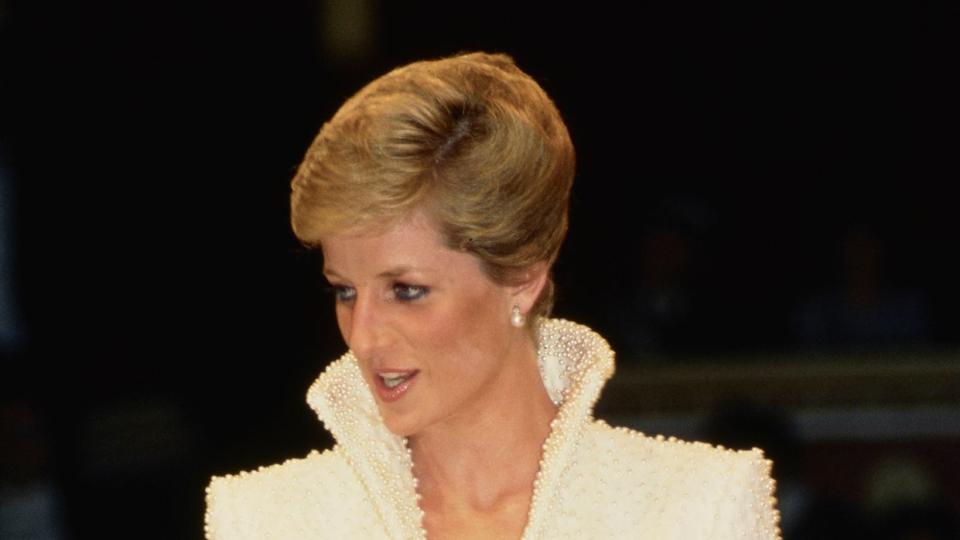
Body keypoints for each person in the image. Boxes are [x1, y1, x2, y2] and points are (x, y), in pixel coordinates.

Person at [204, 52, 781, 539]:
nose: (363, 335)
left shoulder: (699, 510)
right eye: (345, 292)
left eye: (407, 290)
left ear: (523, 277)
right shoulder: (265, 519)